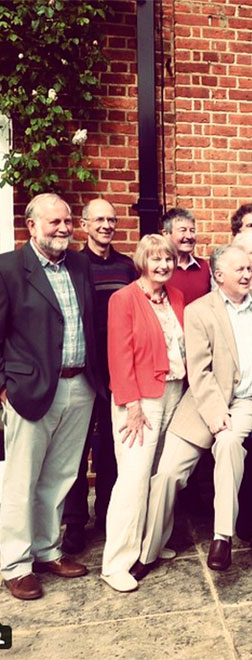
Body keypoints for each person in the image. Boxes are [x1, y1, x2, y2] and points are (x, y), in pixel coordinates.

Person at [135, 245, 252, 575]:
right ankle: (148, 552)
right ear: (218, 276)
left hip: (247, 401)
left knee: (229, 443)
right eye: (239, 270)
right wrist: (215, 412)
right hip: (204, 401)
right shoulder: (200, 311)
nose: (248, 274)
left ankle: (221, 537)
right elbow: (198, 371)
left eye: (249, 268)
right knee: (168, 473)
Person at [0, 193, 102, 600]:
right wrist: (4, 386)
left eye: (67, 221)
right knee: (20, 481)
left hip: (80, 386)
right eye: (54, 222)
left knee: (59, 478)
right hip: (31, 390)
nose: (63, 228)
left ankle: (46, 551)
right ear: (32, 226)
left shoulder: (78, 263)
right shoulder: (8, 268)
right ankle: (14, 563)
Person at [101, 234, 186, 592]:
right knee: (133, 478)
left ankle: (152, 543)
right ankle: (116, 562)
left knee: (159, 473)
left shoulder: (176, 297)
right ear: (142, 262)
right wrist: (131, 404)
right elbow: (118, 355)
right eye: (155, 259)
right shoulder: (124, 299)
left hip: (176, 392)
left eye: (167, 259)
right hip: (140, 400)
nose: (163, 265)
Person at [62, 198, 137, 554]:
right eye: (99, 220)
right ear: (85, 224)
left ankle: (107, 514)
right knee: (76, 448)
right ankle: (75, 523)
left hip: (117, 370)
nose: (106, 225)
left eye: (112, 219)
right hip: (84, 367)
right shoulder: (74, 264)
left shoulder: (126, 267)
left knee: (109, 446)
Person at [162, 207, 211, 304]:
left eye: (192, 230)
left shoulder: (204, 267)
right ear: (166, 234)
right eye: (183, 230)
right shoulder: (160, 268)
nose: (189, 236)